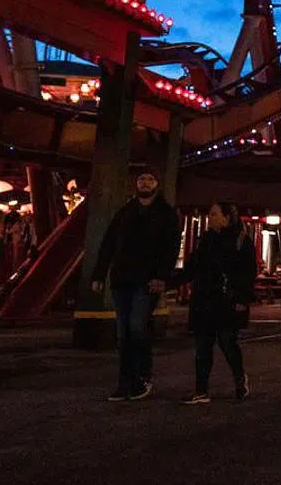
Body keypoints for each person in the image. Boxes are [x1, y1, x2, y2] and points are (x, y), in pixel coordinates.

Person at [89, 166, 182, 402]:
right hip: (122, 278)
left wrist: (161, 276)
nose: (145, 182)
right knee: (123, 333)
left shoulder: (166, 215)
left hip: (147, 280)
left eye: (150, 179)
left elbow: (170, 249)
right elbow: (108, 244)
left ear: (157, 184)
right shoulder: (124, 213)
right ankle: (125, 381)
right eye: (142, 179)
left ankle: (142, 376)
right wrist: (99, 274)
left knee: (137, 327)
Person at [174, 203, 256, 405]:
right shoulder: (205, 241)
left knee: (228, 342)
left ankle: (239, 377)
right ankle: (201, 390)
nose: (209, 217)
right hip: (204, 298)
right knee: (203, 346)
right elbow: (192, 267)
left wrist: (242, 299)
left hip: (227, 300)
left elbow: (247, 273)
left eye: (214, 214)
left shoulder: (240, 241)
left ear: (227, 218)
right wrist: (169, 280)